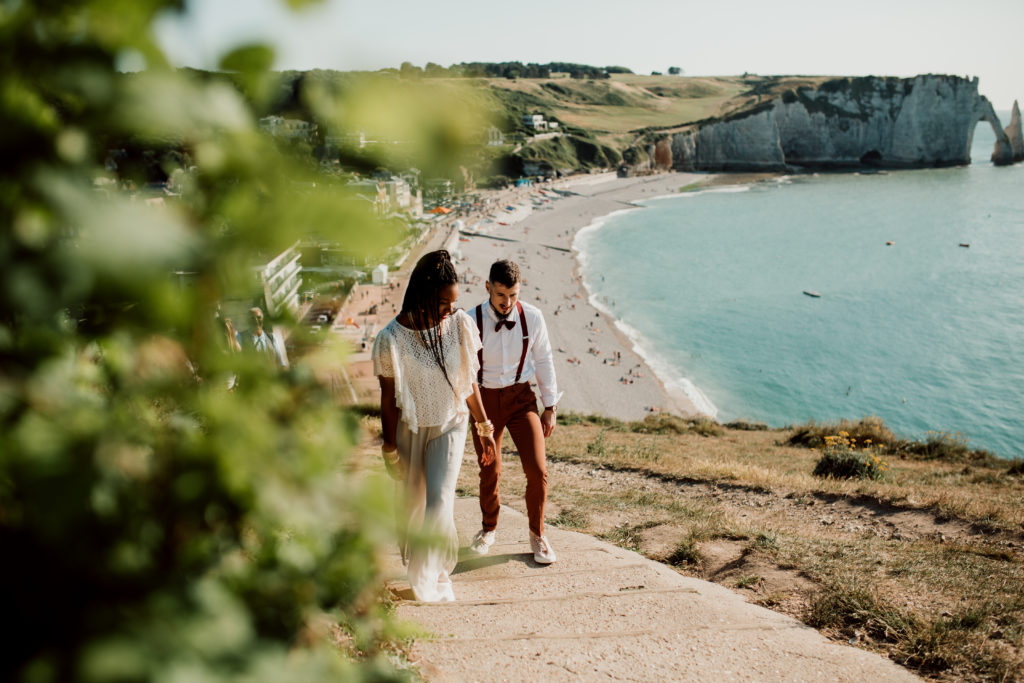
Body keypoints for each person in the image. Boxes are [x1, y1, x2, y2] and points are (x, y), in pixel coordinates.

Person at [372, 250, 497, 602]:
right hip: (410, 430)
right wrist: (389, 448)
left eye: (453, 302)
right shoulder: (390, 339)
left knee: (440, 501)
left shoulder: (459, 325)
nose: (450, 309)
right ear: (423, 294)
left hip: (450, 424)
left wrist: (484, 428)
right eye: (444, 302)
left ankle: (427, 582)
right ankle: (433, 567)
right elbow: (388, 399)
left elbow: (467, 381)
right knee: (413, 508)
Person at [468, 259, 562, 564]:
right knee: (490, 468)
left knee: (537, 469)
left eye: (513, 295)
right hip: (485, 402)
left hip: (522, 399)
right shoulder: (470, 320)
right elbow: (464, 373)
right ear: (488, 288)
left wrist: (550, 406)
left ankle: (538, 534)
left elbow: (544, 360)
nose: (507, 303)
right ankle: (488, 529)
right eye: (500, 295)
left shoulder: (532, 317)